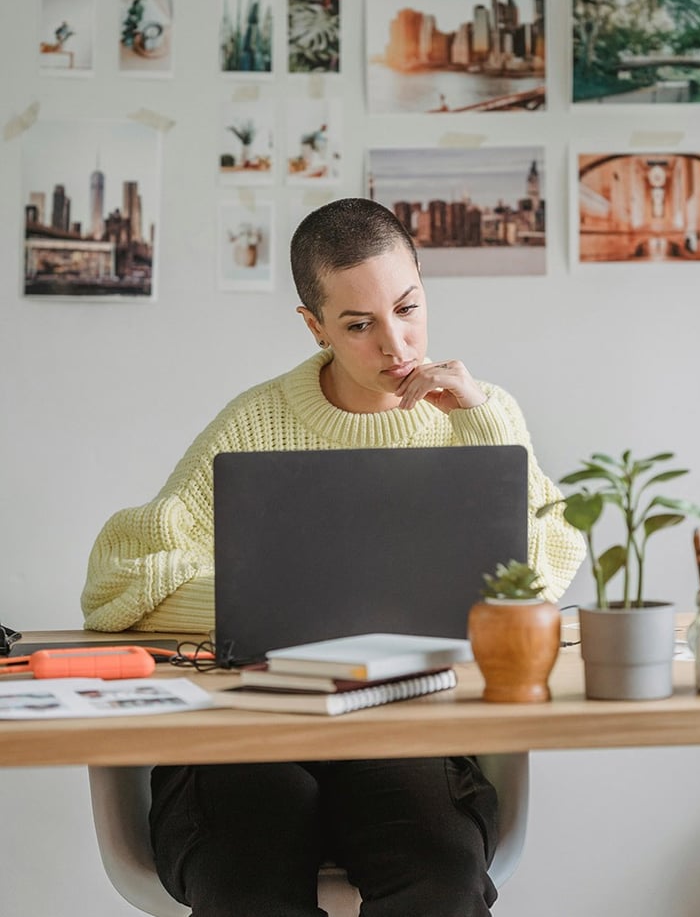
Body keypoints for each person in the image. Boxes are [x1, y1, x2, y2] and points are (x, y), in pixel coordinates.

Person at [81, 197, 585, 917]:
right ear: (314, 325)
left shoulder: (479, 415)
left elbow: (537, 576)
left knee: (439, 876)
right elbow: (116, 579)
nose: (398, 346)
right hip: (250, 734)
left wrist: (485, 425)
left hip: (410, 731)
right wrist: (258, 609)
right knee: (245, 876)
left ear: (422, 283)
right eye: (359, 324)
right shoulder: (256, 422)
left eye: (408, 307)